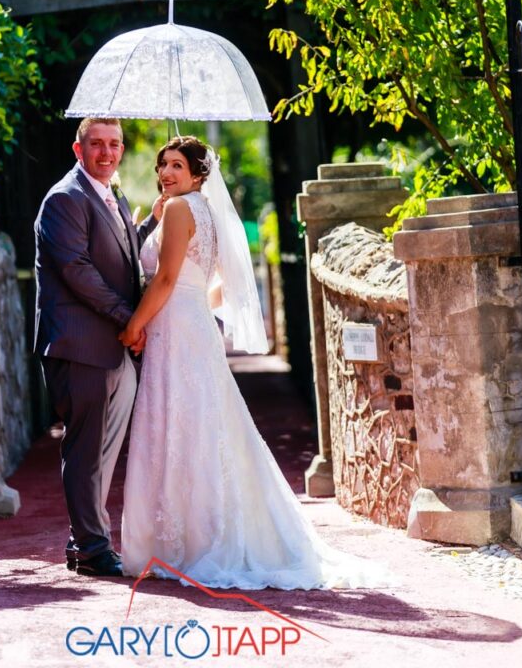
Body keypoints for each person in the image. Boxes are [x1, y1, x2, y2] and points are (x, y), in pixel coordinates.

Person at [119, 135, 387, 590]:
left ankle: (188, 542)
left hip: (176, 327)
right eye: (163, 165)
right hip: (193, 324)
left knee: (178, 420)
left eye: (177, 166)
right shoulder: (202, 211)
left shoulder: (183, 210)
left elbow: (164, 279)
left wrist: (133, 326)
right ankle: (203, 531)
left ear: (199, 174)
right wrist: (188, 297)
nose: (165, 173)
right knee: (205, 423)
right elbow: (217, 283)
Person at [34, 117, 159, 578]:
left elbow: (122, 258)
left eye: (114, 144)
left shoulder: (113, 195)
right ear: (78, 148)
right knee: (85, 450)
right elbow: (79, 271)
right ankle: (91, 546)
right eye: (97, 144)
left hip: (116, 346)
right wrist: (131, 319)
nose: (106, 152)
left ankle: (83, 538)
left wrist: (150, 223)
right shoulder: (65, 198)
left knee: (105, 450)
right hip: (81, 344)